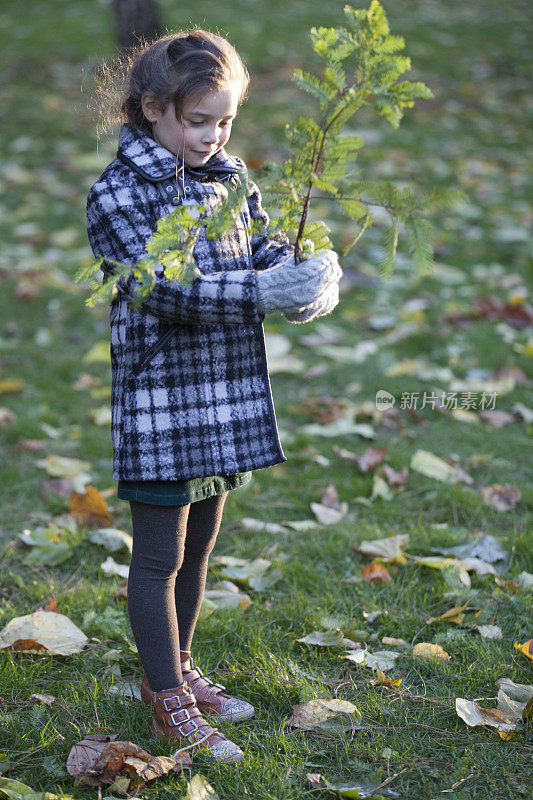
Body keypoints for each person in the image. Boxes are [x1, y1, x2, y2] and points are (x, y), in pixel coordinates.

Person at [86, 29, 342, 764]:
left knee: (200, 548)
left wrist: (300, 275)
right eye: (198, 120)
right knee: (158, 557)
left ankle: (180, 670)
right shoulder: (119, 192)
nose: (213, 135)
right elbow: (161, 289)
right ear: (151, 108)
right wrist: (260, 291)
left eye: (224, 120)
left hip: (222, 394)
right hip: (161, 399)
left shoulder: (229, 180)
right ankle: (165, 699)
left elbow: (261, 247)